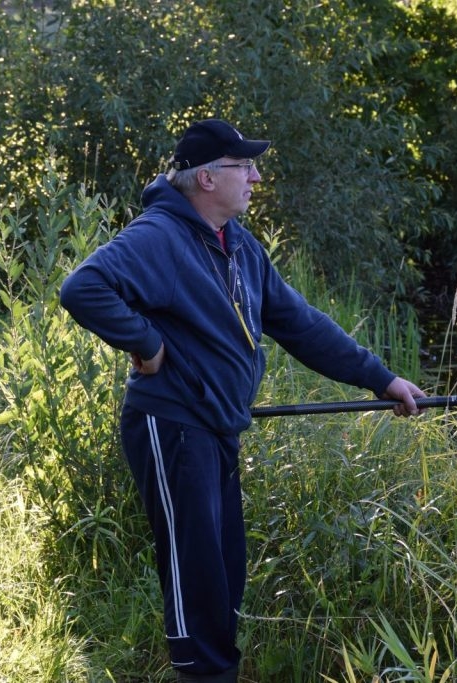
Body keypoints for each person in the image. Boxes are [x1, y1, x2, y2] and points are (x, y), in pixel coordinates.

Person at [59, 119, 425, 682]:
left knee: (225, 569)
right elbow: (83, 288)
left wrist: (382, 380)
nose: (257, 176)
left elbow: (300, 324)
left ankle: (215, 672)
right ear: (206, 178)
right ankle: (203, 675)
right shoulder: (161, 235)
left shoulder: (239, 247)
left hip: (216, 427)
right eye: (243, 166)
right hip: (173, 423)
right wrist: (148, 344)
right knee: (195, 571)